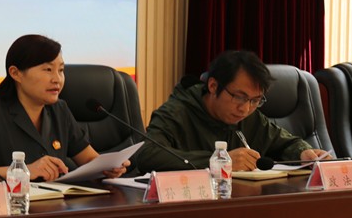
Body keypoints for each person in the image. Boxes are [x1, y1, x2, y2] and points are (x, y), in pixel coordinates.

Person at [0, 34, 129, 183]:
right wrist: (23, 171)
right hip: (11, 206)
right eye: (48, 69)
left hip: (56, 204)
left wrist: (109, 167)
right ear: (16, 73)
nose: (57, 79)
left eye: (61, 70)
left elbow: (89, 159)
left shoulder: (59, 110)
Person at [135, 49, 331, 172]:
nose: (245, 108)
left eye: (255, 100)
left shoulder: (250, 117)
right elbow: (148, 155)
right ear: (213, 86)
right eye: (239, 97)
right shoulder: (176, 112)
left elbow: (284, 142)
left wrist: (303, 153)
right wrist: (219, 160)